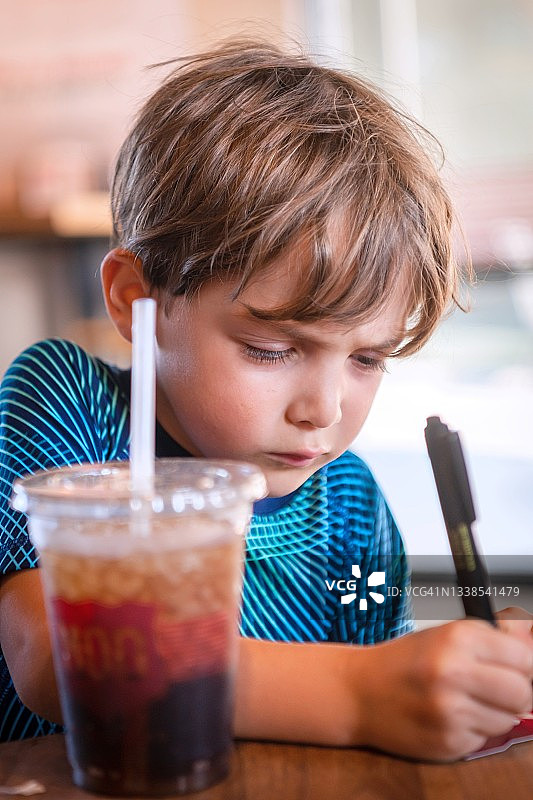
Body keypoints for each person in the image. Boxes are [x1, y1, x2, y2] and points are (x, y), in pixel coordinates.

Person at [0, 39, 531, 758]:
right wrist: (359, 697)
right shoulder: (71, 407)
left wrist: (458, 686)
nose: (321, 409)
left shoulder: (348, 508)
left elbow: (370, 661)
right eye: (271, 350)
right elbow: (56, 660)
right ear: (137, 301)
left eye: (367, 358)